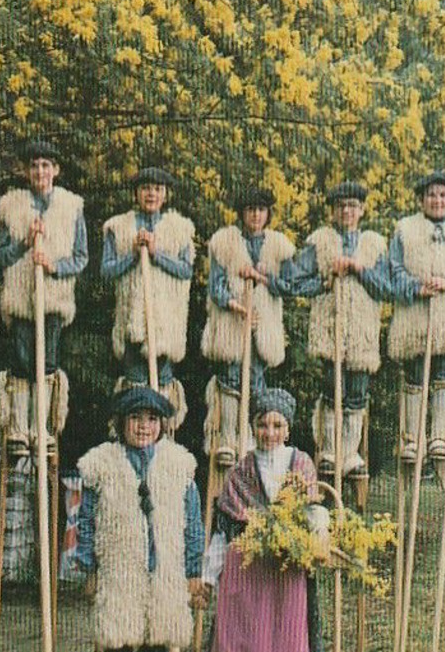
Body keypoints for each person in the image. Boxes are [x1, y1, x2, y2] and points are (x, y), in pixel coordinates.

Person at [77, 386, 205, 652]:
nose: (144, 426)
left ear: (162, 425)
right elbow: (85, 521)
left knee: (156, 640)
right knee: (116, 639)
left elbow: (193, 523)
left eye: (151, 419)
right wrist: (89, 567)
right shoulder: (102, 465)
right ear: (120, 423)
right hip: (119, 570)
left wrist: (194, 571)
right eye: (135, 418)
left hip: (165, 571)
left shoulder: (178, 465)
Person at [202, 388, 328, 652]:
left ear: (288, 429)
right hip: (245, 572)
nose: (269, 433)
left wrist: (318, 537)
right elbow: (223, 532)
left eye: (276, 425)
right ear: (253, 428)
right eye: (262, 425)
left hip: (286, 573)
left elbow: (314, 511)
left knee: (285, 646)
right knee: (242, 648)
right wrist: (207, 578)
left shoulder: (301, 465)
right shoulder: (239, 472)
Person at [292, 181, 391, 479]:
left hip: (362, 332)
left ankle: (349, 452)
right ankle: (329, 450)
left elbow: (387, 288)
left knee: (357, 392)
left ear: (362, 210)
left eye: (352, 206)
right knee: (331, 388)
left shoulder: (374, 246)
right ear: (333, 211)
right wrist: (325, 280)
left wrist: (361, 270)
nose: (347, 211)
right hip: (329, 330)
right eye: (341, 206)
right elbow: (293, 281)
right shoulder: (320, 242)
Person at [0, 139, 88, 455]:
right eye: (34, 165)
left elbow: (80, 257)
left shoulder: (72, 206)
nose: (40, 171)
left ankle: (41, 428)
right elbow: (2, 257)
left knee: (47, 361)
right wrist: (24, 242)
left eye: (46, 165)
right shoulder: (10, 205)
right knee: (22, 361)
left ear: (56, 170)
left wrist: (53, 265)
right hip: (21, 296)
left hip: (53, 298)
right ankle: (20, 429)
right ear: (25, 170)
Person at [388, 171, 445, 461]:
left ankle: (439, 436)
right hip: (415, 317)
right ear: (421, 199)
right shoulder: (405, 229)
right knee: (415, 377)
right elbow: (394, 269)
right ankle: (413, 439)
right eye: (431, 195)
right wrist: (416, 288)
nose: (437, 200)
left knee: (444, 376)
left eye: (443, 195)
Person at [201, 186, 296, 466]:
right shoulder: (224, 242)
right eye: (250, 210)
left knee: (255, 380)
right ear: (242, 213)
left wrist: (262, 278)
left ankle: (250, 440)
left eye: (261, 210)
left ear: (268, 214)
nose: (256, 215)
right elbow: (215, 287)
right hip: (232, 323)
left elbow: (287, 286)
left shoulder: (279, 246)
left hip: (262, 325)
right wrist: (236, 305)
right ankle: (228, 439)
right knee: (231, 378)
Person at [101, 166, 195, 428]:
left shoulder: (180, 229)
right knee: (134, 380)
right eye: (145, 188)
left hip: (165, 324)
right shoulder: (118, 228)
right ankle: (133, 436)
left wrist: (156, 254)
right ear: (136, 193)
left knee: (163, 382)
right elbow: (107, 271)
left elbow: (186, 270)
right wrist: (133, 253)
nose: (151, 194)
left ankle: (162, 439)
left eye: (157, 189)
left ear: (165, 195)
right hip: (132, 321)